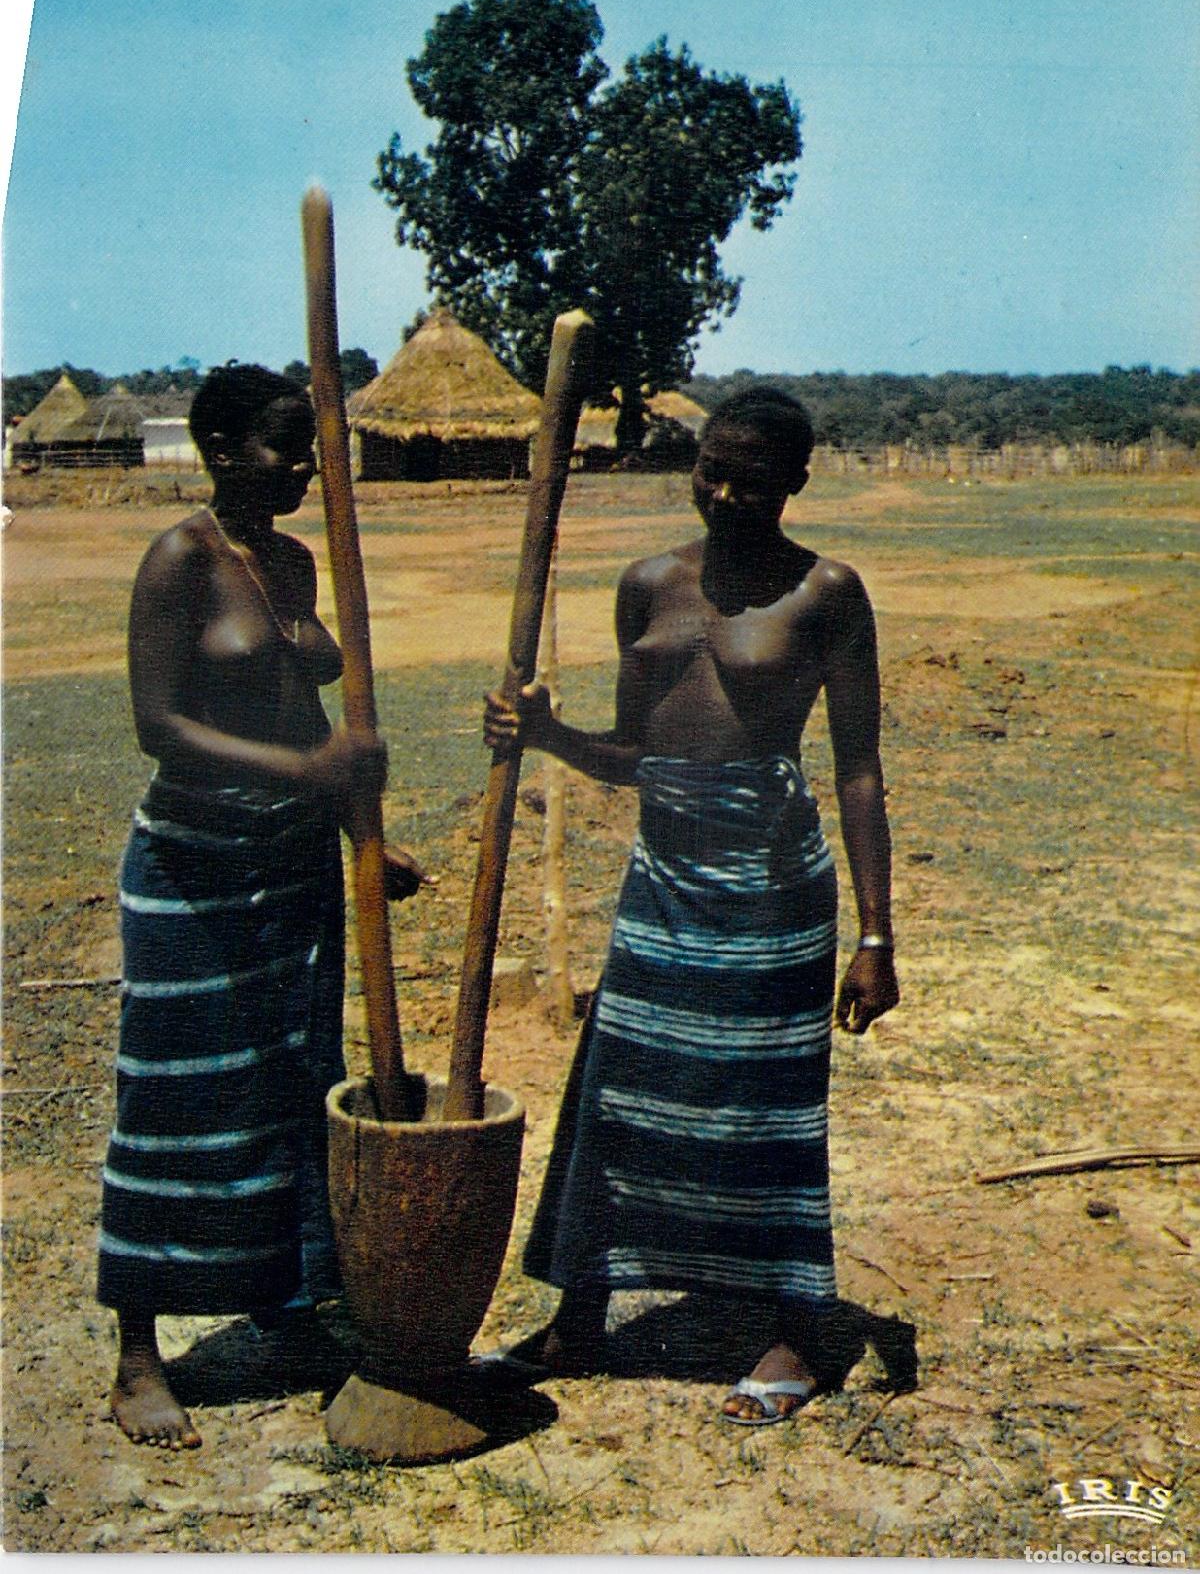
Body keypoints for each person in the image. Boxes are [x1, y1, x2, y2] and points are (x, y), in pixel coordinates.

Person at [482, 386, 899, 1425]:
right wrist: (545, 734)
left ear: (796, 481)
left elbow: (858, 770)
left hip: (771, 885)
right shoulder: (648, 585)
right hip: (662, 876)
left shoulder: (829, 594)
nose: (723, 492)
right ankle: (581, 1320)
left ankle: (788, 1331)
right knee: (620, 1086)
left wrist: (877, 935)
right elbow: (632, 757)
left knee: (762, 1110)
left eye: (752, 480)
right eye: (710, 468)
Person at [98, 363, 424, 1450]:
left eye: (312, 448)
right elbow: (157, 726)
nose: (305, 468)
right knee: (173, 1089)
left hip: (293, 869)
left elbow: (300, 710)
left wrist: (362, 839)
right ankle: (139, 1354)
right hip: (195, 867)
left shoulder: (291, 560)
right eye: (287, 447)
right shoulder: (181, 558)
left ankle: (281, 1298)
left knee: (291, 1085)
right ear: (223, 449)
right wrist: (317, 776)